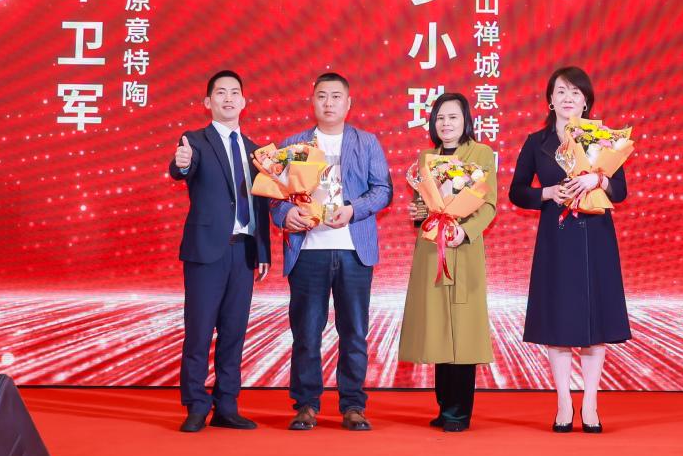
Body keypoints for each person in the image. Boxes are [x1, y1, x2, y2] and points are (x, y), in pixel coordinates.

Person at [508, 66, 630, 434]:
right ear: (550, 99)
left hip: (596, 237)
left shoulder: (604, 139)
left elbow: (621, 192)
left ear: (586, 101)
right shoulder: (537, 142)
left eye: (575, 92)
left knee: (595, 323)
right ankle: (564, 402)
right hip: (556, 237)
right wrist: (547, 193)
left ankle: (590, 404)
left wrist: (599, 179)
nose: (568, 98)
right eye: (560, 91)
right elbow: (517, 191)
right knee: (557, 321)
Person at [270, 72, 392, 431]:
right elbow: (273, 194)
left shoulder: (367, 143)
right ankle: (306, 404)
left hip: (354, 250)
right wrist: (285, 213)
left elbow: (383, 190)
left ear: (348, 103)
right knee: (306, 332)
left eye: (336, 96)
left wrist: (353, 209)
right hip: (309, 250)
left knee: (354, 332)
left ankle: (353, 404)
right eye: (322, 96)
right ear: (313, 101)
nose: (328, 103)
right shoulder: (293, 144)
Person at [168, 70, 271, 433]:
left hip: (243, 252)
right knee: (198, 332)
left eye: (234, 93)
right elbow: (181, 168)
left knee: (234, 332)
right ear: (208, 102)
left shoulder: (258, 151)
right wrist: (181, 164)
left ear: (244, 102)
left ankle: (227, 405)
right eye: (221, 93)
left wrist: (263, 251)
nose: (228, 98)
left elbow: (261, 204)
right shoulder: (195, 141)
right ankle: (196, 405)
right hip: (206, 253)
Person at [399, 92, 497, 432]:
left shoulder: (481, 153)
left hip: (462, 249)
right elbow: (423, 205)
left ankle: (459, 411)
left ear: (466, 120)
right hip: (432, 250)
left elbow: (488, 204)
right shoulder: (426, 157)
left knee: (463, 331)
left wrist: (464, 232)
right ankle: (444, 405)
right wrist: (418, 212)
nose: (446, 123)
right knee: (438, 328)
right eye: (440, 118)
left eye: (453, 117)